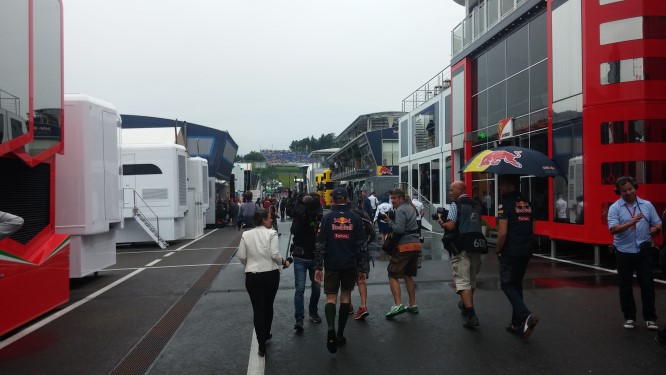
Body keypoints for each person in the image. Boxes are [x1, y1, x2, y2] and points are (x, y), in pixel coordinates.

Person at [314, 187, 369, 353]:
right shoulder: (355, 218)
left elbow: (320, 244)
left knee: (331, 298)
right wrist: (363, 268)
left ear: (333, 199)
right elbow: (361, 245)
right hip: (349, 264)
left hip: (331, 264)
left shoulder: (327, 218)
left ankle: (330, 327)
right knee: (346, 296)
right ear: (346, 198)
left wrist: (318, 266)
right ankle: (340, 334)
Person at [607, 176, 661, 330]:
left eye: (630, 189)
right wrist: (631, 222)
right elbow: (612, 229)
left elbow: (657, 222)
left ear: (635, 187)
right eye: (624, 191)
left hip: (645, 250)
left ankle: (650, 318)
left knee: (648, 285)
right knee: (625, 286)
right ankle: (629, 317)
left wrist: (655, 229)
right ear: (619, 192)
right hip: (624, 251)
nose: (628, 192)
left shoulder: (647, 205)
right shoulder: (615, 208)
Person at [237, 208, 292, 357]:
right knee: (268, 306)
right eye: (269, 218)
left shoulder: (246, 234)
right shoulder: (271, 233)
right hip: (270, 274)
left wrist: (250, 263)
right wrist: (284, 262)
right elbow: (275, 254)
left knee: (258, 309)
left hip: (252, 275)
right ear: (263, 220)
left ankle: (261, 342)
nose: (271, 220)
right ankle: (266, 333)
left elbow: (242, 256)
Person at [437, 181, 486, 328]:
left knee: (462, 281)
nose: (450, 193)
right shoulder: (477, 204)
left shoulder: (455, 204)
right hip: (477, 244)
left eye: (452, 190)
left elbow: (451, 226)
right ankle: (466, 305)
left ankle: (472, 315)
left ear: (460, 189)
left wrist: (442, 223)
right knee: (471, 280)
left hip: (461, 246)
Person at [496, 175, 539, 339]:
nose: (500, 188)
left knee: (506, 284)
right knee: (517, 284)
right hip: (526, 249)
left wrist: (498, 249)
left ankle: (525, 315)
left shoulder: (504, 204)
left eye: (502, 185)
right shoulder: (527, 202)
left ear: (510, 186)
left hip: (510, 251)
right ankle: (516, 324)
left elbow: (503, 232)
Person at [383, 188, 422, 318]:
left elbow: (399, 230)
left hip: (404, 246)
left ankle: (398, 304)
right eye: (391, 198)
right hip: (415, 244)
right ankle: (413, 304)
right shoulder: (410, 207)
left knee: (392, 273)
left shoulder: (400, 209)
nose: (392, 201)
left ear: (400, 198)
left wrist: (388, 220)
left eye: (394, 198)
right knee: (407, 274)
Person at [290, 193, 323, 332]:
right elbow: (294, 231)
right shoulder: (300, 215)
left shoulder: (317, 216)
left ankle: (313, 311)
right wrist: (301, 217)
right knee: (300, 288)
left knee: (316, 288)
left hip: (314, 256)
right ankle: (299, 318)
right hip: (300, 256)